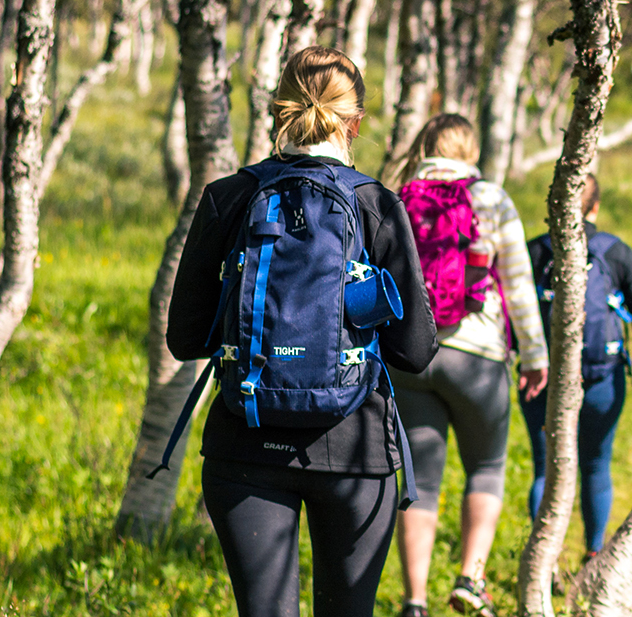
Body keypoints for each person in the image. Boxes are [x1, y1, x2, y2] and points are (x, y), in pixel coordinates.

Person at [165, 46, 437, 617]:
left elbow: (185, 340)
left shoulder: (227, 196)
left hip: (246, 445)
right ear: (355, 122)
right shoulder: (377, 204)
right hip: (356, 453)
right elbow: (414, 352)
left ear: (276, 111)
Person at [380, 115, 550, 617]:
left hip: (412, 356)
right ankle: (469, 580)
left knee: (420, 482)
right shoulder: (491, 198)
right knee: (488, 467)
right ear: (470, 150)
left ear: (425, 146)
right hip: (477, 354)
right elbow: (517, 283)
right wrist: (535, 355)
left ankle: (414, 601)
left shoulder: (396, 198)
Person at [524, 176, 632, 559]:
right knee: (596, 464)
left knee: (545, 470)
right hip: (601, 380)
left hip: (540, 380)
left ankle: (543, 562)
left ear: (555, 206)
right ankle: (593, 553)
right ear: (595, 207)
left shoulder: (533, 252)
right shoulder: (614, 252)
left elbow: (511, 312)